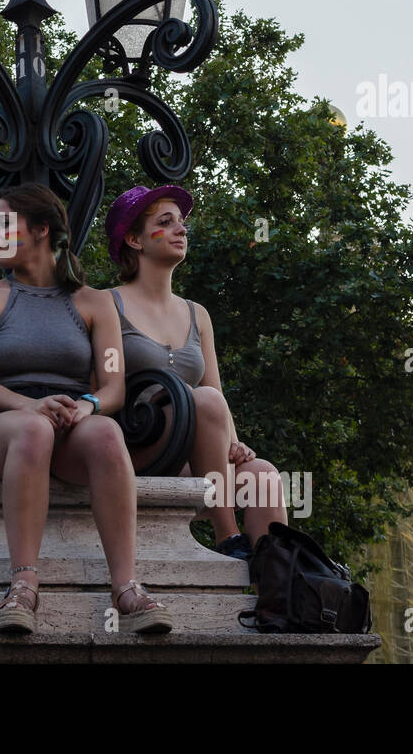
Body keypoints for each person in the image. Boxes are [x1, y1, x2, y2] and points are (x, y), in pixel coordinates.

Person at [0, 183, 173, 635]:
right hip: (1, 421)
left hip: (70, 416)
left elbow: (113, 384)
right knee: (33, 430)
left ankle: (127, 587)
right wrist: (32, 405)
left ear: (40, 230)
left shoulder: (95, 303)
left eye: (2, 225)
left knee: (109, 434)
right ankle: (23, 586)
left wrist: (88, 405)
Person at [105, 185, 288, 558]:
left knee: (263, 474)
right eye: (165, 222)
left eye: (182, 223)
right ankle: (227, 535)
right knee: (201, 401)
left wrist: (235, 443)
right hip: (136, 444)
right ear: (134, 239)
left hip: (190, 458)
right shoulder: (106, 304)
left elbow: (214, 390)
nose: (181, 230)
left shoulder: (196, 314)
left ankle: (278, 587)